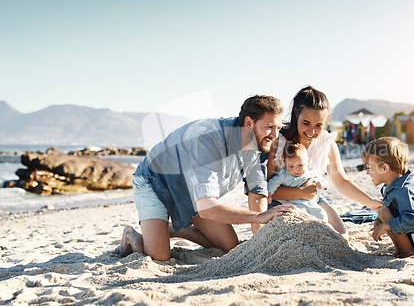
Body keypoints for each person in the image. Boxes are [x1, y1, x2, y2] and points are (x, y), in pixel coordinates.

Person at [119, 95, 295, 261]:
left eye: (278, 128)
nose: (274, 135)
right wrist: (257, 218)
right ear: (249, 123)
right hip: (155, 182)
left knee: (230, 246)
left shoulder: (254, 142)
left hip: (192, 191)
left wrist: (260, 243)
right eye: (270, 127)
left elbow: (257, 194)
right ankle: (131, 235)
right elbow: (207, 208)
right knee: (159, 257)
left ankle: (172, 228)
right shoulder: (208, 139)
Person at [267, 86, 382, 235]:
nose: (311, 131)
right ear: (296, 113)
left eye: (319, 125)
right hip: (282, 202)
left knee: (341, 235)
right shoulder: (280, 142)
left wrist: (371, 203)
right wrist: (301, 192)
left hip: (313, 201)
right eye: (306, 123)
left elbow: (341, 181)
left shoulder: (326, 143)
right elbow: (268, 190)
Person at [362, 137, 414, 258]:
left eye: (369, 167)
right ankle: (401, 249)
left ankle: (407, 251)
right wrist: (379, 221)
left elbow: (413, 220)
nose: (367, 172)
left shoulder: (405, 190)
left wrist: (385, 225)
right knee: (383, 211)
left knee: (384, 212)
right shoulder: (392, 185)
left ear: (384, 168)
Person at [267, 143, 329, 222]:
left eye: (300, 165)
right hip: (291, 204)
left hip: (310, 204)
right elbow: (274, 182)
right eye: (291, 166)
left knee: (321, 214)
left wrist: (322, 185)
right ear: (285, 163)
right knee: (287, 217)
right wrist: (269, 192)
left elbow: (324, 181)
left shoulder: (311, 172)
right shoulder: (284, 174)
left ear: (307, 160)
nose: (296, 169)